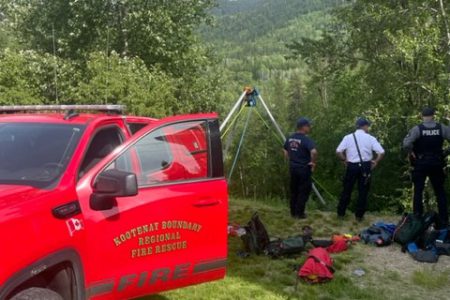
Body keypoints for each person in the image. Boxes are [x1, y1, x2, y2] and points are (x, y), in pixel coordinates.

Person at [403, 107, 450, 229]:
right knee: (440, 192)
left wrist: (411, 152)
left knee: (418, 191)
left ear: (422, 116)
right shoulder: (442, 128)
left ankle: (417, 218)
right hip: (437, 163)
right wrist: (445, 153)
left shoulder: (417, 129)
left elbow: (406, 144)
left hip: (421, 163)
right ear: (433, 115)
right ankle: (444, 220)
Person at [336, 118, 385, 221]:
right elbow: (381, 152)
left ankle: (341, 213)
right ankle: (359, 216)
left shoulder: (348, 137)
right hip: (365, 167)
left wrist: (344, 160)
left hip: (351, 166)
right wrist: (375, 161)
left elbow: (338, 151)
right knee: (363, 191)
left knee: (347, 190)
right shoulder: (370, 138)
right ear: (365, 126)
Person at [283, 118, 318, 219]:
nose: (310, 128)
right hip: (303, 169)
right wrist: (313, 162)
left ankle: (293, 212)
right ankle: (300, 213)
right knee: (304, 191)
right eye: (308, 126)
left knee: (294, 190)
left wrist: (290, 158)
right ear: (303, 127)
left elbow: (284, 150)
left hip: (293, 167)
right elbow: (314, 152)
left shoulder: (290, 138)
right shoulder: (306, 139)